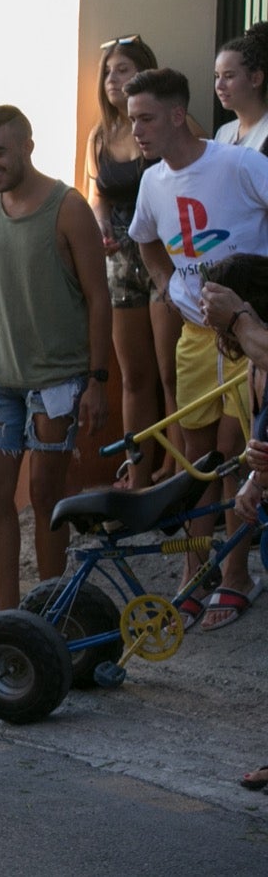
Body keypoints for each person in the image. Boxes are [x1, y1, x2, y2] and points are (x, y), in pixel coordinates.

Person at [0, 105, 112, 614]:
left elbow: (99, 296)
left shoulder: (67, 207)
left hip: (58, 380)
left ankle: (51, 612)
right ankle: (10, 618)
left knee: (46, 495)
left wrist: (98, 380)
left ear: (26, 147)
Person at [127, 66, 268, 631]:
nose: (135, 129)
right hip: (195, 337)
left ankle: (236, 577)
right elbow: (145, 240)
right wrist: (166, 288)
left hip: (247, 336)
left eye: (146, 118)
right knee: (196, 459)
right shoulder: (151, 182)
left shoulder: (239, 162)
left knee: (240, 454)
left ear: (178, 115)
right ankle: (195, 574)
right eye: (131, 118)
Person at [84, 35, 177, 489]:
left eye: (122, 70)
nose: (112, 79)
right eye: (108, 72)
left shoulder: (166, 124)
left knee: (171, 372)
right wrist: (100, 224)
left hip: (164, 254)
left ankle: (179, 470)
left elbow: (192, 168)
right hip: (119, 261)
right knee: (136, 376)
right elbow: (97, 195)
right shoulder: (99, 136)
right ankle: (140, 471)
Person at [196, 256, 268, 791]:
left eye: (214, 304)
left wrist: (241, 316)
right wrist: (253, 483)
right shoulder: (254, 361)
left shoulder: (257, 341)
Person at [214, 22, 268, 152]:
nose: (219, 85)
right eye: (217, 76)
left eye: (229, 76)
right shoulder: (224, 132)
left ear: (256, 79)